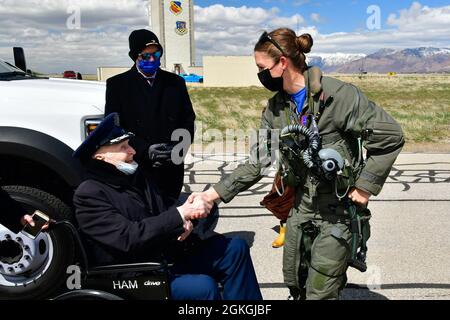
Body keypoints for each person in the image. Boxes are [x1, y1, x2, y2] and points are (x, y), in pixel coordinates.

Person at [191, 28, 404, 300]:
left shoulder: (339, 97)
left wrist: (364, 187)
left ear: (282, 63)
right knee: (297, 284)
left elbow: (391, 136)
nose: (259, 74)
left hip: (337, 213)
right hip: (300, 210)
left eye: (261, 67)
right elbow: (257, 162)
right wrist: (212, 195)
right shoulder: (275, 109)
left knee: (320, 292)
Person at [72, 113, 262, 300]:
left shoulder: (135, 177)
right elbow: (128, 238)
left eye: (129, 145)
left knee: (235, 249)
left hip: (165, 256)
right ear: (101, 158)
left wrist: (188, 216)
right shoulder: (90, 194)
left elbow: (164, 211)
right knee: (203, 287)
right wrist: (180, 215)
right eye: (123, 147)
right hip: (138, 273)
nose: (132, 151)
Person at [105, 29, 195, 201]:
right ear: (134, 56)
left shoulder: (175, 83)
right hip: (137, 164)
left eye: (157, 53)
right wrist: (144, 150)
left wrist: (178, 149)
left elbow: (188, 120)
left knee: (170, 212)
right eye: (146, 56)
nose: (152, 59)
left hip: (171, 166)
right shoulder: (118, 85)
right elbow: (114, 126)